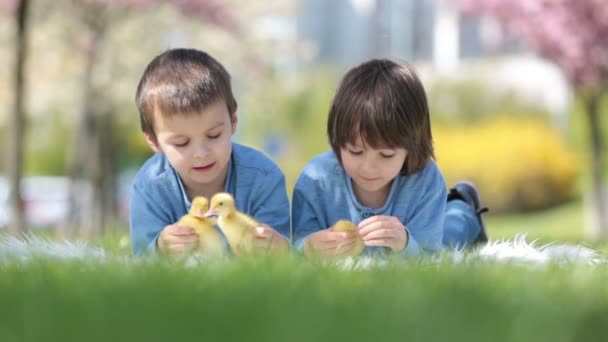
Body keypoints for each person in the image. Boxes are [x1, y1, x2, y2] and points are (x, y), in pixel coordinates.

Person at [292, 59, 488, 258]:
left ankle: (463, 208)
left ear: (411, 147)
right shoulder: (315, 180)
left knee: (449, 243)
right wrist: (308, 247)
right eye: (355, 151)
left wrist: (405, 242)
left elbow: (429, 257)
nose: (368, 168)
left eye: (386, 155)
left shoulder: (425, 181)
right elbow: (291, 248)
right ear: (337, 141)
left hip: (430, 232)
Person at [130, 48, 289, 256]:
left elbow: (287, 250)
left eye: (214, 135)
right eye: (181, 143)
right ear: (155, 142)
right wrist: (160, 247)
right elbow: (141, 258)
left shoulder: (263, 176)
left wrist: (276, 246)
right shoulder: (150, 184)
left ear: (233, 122)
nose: (201, 153)